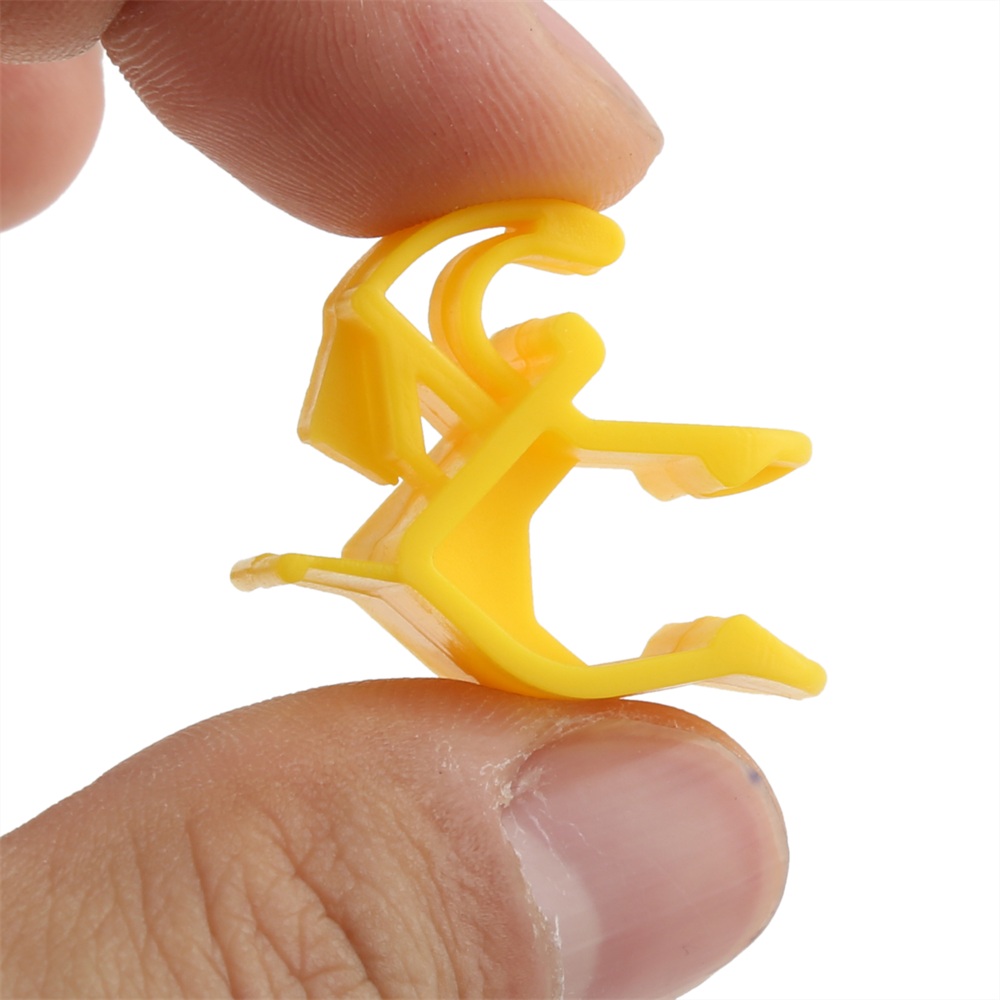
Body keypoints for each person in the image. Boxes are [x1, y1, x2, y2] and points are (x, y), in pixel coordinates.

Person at [0, 4, 789, 997]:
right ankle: (698, 649)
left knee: (447, 570)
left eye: (553, 348)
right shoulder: (496, 401)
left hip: (471, 566)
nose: (547, 350)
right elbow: (403, 345)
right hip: (450, 556)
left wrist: (709, 455)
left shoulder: (520, 411)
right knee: (427, 558)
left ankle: (706, 650)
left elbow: (607, 447)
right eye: (546, 344)